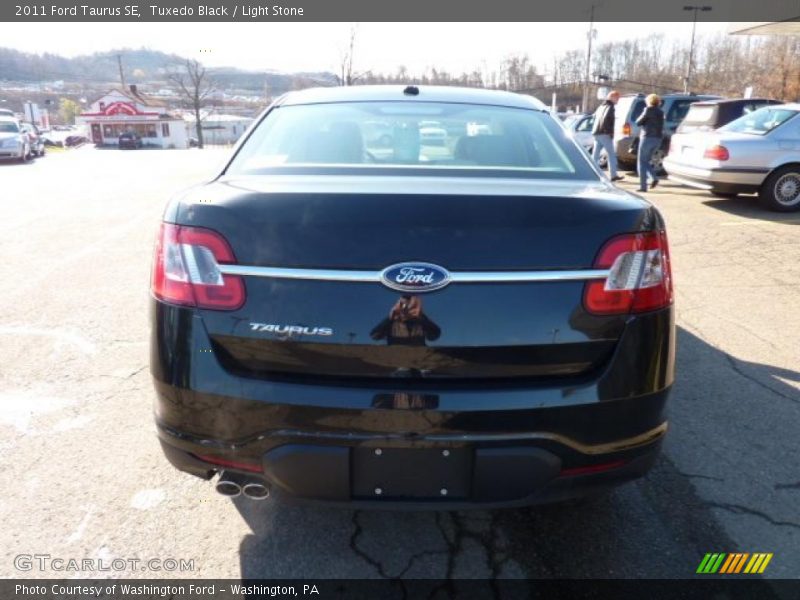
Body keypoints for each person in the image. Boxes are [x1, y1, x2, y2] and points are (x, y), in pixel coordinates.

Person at [591, 90, 623, 182]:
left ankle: (593, 173)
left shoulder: (601, 106)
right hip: (605, 134)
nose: (618, 100)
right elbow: (608, 120)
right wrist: (610, 132)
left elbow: (594, 117)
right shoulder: (611, 107)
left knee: (595, 155)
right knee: (611, 154)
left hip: (596, 132)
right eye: (617, 98)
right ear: (612, 97)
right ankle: (613, 175)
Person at [635, 93, 665, 192]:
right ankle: (653, 178)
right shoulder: (661, 112)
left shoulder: (648, 109)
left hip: (647, 138)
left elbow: (638, 122)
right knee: (646, 161)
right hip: (657, 139)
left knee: (641, 162)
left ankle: (643, 186)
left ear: (649, 101)